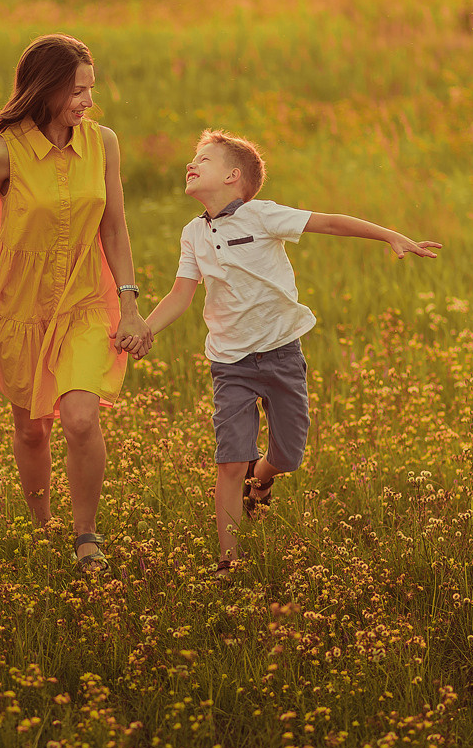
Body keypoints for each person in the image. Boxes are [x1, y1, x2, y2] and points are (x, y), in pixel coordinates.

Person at [130, 129, 441, 576]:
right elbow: (181, 293)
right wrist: (146, 327)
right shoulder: (192, 234)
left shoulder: (261, 216)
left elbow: (330, 222)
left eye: (203, 159)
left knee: (288, 455)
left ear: (233, 176)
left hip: (281, 354)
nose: (189, 164)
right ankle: (228, 561)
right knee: (229, 460)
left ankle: (263, 480)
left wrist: (389, 235)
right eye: (191, 158)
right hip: (230, 363)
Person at [0, 34, 152, 573]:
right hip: (19, 303)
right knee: (30, 428)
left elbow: (114, 226)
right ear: (44, 89)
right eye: (77, 90)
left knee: (81, 418)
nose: (88, 101)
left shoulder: (103, 143)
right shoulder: (3, 152)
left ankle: (85, 535)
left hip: (86, 299)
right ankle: (43, 528)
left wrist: (130, 304)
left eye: (91, 89)